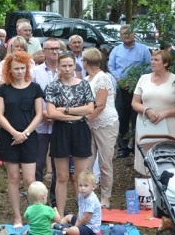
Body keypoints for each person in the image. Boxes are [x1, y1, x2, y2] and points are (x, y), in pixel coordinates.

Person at [0, 51, 44, 227]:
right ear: (9, 70)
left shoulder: (35, 88)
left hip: (29, 138)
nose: (19, 71)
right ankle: (17, 216)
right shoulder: (3, 89)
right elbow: (0, 115)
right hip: (9, 138)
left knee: (30, 180)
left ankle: (34, 215)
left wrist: (25, 134)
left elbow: (39, 114)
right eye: (16, 68)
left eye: (22, 68)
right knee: (13, 178)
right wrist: (14, 133)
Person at [45, 52, 95, 217]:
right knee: (62, 176)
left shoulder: (83, 84)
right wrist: (76, 114)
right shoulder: (53, 86)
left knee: (80, 177)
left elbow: (89, 108)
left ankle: (83, 213)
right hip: (61, 131)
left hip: (80, 130)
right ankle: (59, 213)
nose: (67, 69)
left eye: (70, 65)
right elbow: (51, 113)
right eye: (63, 65)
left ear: (75, 66)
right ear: (58, 67)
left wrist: (66, 110)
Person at [131, 49, 175, 175]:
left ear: (166, 63)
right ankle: (147, 189)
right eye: (152, 59)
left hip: (169, 125)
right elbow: (134, 103)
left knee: (169, 160)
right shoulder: (143, 79)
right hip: (147, 124)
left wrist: (164, 113)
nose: (152, 62)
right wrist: (148, 110)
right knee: (147, 158)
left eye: (156, 60)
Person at [83, 48, 118, 208]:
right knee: (87, 163)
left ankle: (105, 197)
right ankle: (88, 195)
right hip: (90, 124)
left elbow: (101, 105)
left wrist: (84, 119)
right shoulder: (86, 79)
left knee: (105, 162)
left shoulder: (102, 78)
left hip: (106, 124)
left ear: (85, 62)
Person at [108, 24, 150, 158]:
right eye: (123, 34)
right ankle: (123, 147)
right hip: (121, 89)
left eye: (129, 33)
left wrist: (136, 80)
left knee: (137, 118)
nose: (126, 36)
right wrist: (119, 79)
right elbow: (111, 66)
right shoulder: (116, 50)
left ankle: (137, 146)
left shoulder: (143, 50)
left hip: (138, 89)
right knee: (122, 118)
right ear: (120, 36)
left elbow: (148, 67)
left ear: (134, 34)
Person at [31, 38, 61, 186]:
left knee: (58, 165)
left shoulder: (66, 70)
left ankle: (56, 200)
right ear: (44, 52)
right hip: (40, 124)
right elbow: (30, 96)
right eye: (51, 49)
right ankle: (38, 199)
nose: (55, 51)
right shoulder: (35, 72)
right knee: (38, 163)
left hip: (60, 123)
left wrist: (56, 114)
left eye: (57, 48)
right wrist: (43, 113)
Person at [59, 170, 102, 235]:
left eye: (86, 186)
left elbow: (87, 218)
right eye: (80, 185)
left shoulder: (91, 199)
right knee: (68, 217)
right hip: (82, 221)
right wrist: (77, 223)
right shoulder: (81, 195)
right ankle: (57, 225)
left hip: (91, 228)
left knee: (72, 231)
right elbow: (80, 210)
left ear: (93, 187)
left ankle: (63, 230)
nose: (82, 188)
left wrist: (76, 226)